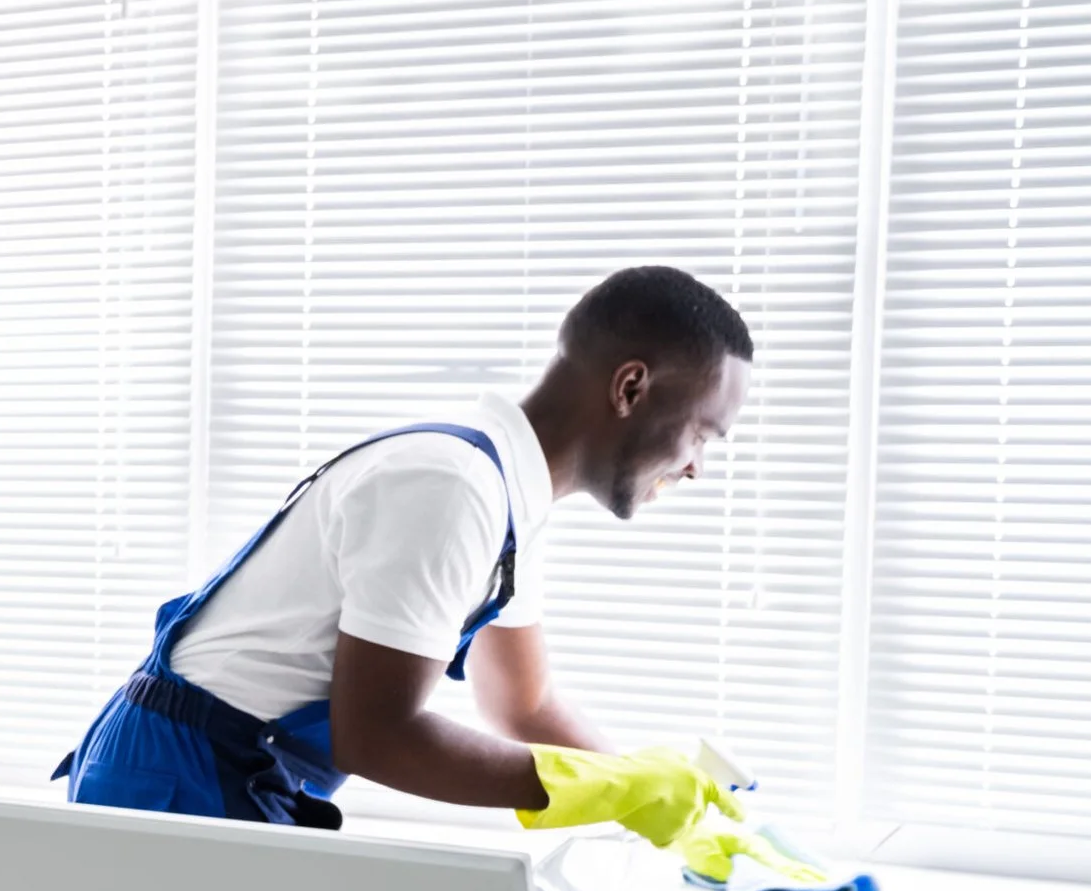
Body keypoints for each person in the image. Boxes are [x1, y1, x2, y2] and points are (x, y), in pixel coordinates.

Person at [58, 264, 752, 848]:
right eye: (703, 433)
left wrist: (666, 811)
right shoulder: (453, 487)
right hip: (179, 772)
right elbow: (378, 737)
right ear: (630, 388)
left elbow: (525, 703)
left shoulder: (508, 496)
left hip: (222, 768)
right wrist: (615, 788)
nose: (697, 467)